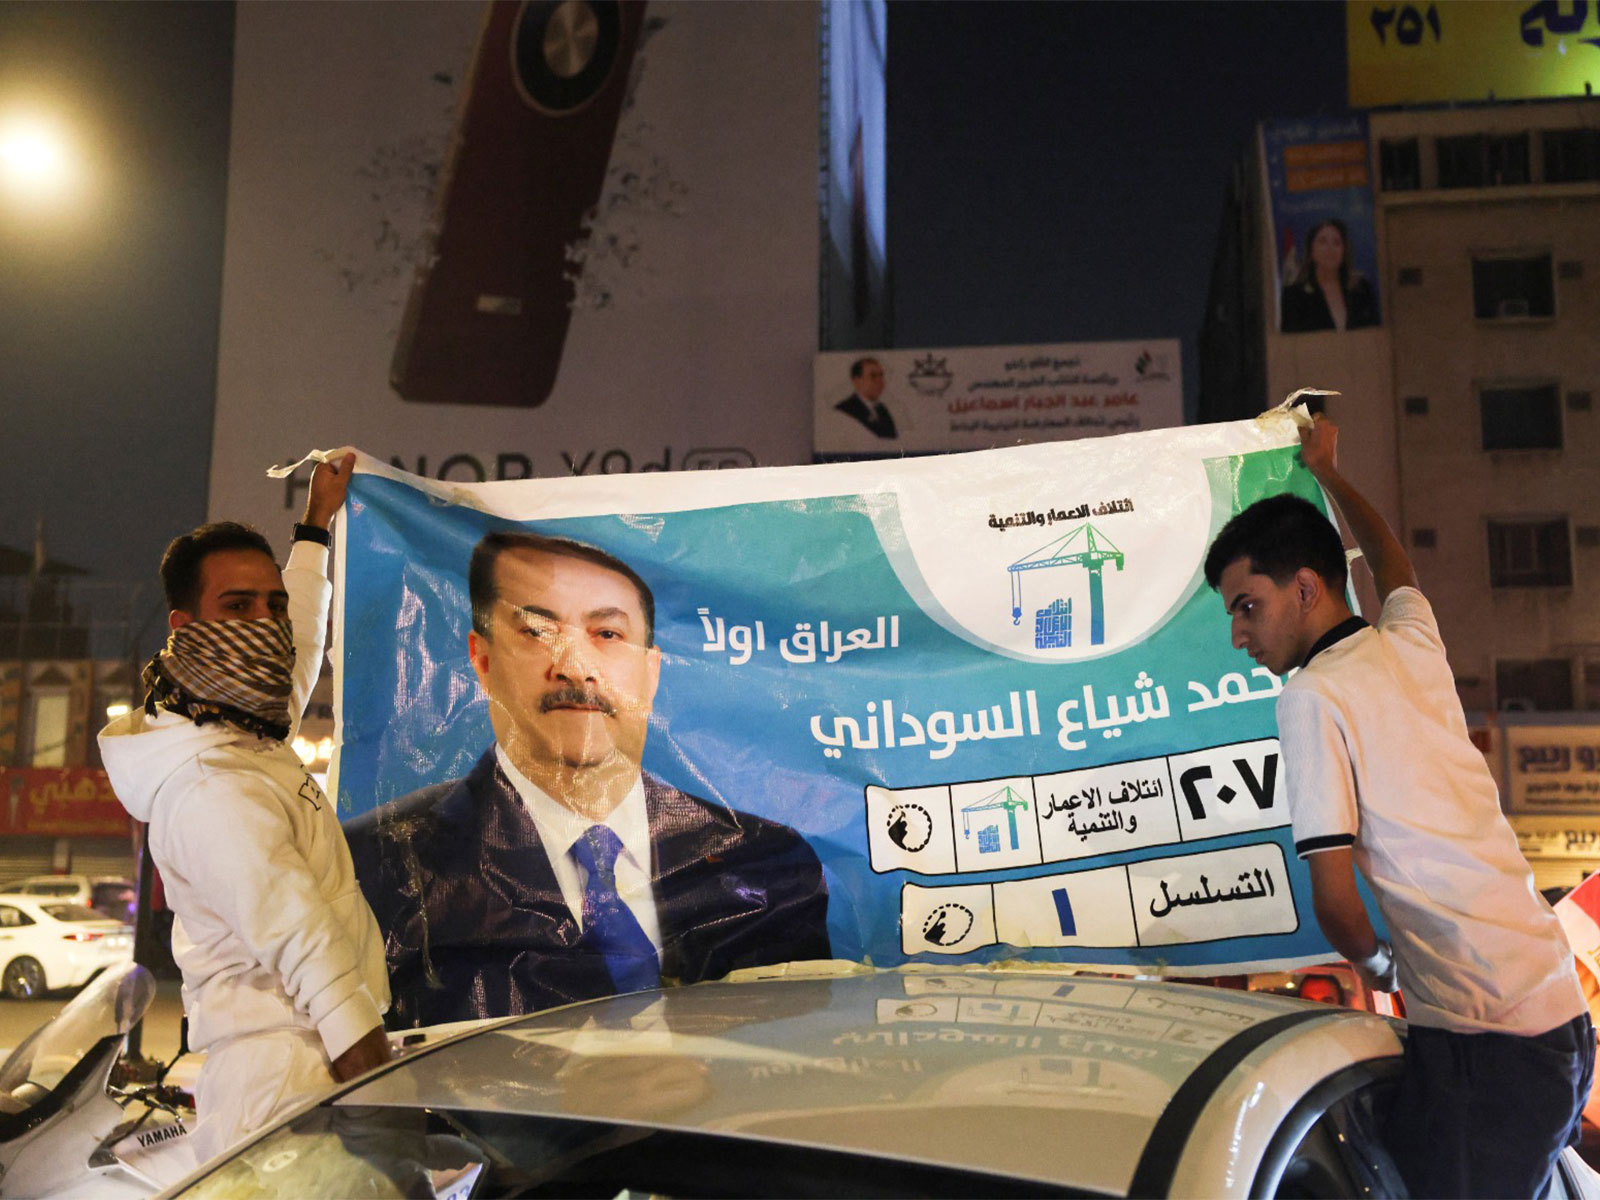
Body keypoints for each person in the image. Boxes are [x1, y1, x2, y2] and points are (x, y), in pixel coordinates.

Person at [1203, 415, 1591, 1198]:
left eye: (1247, 605)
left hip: (1486, 1044)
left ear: (1305, 588)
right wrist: (1332, 470)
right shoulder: (1409, 638)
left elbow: (1339, 904)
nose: (1239, 634)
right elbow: (1392, 563)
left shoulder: (1312, 696)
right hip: (1560, 1022)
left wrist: (1382, 966)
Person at [343, 530, 831, 1027]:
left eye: (608, 635)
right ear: (483, 661)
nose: (575, 669)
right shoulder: (376, 868)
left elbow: (796, 1060)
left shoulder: (767, 865)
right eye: (537, 631)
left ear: (652, 670)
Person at [99, 454, 392, 1163]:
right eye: (238, 607)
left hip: (317, 1068)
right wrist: (386, 1109)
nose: (265, 623)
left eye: (274, 606)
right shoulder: (210, 782)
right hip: (295, 1086)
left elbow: (300, 655)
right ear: (185, 624)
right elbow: (309, 951)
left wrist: (316, 525)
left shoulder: (241, 726)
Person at [1279, 218, 1379, 333]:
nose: (1330, 248)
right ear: (1311, 251)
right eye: (1323, 241)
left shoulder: (1362, 289)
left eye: (1337, 243)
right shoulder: (1293, 296)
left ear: (1344, 251)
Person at [835, 356, 897, 438]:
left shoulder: (882, 410)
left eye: (881, 376)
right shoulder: (844, 410)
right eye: (873, 376)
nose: (880, 381)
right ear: (857, 381)